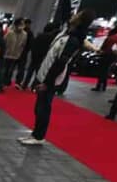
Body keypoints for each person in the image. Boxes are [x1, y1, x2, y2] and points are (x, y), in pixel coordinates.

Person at [18, 8, 95, 146]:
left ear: (81, 20)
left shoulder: (73, 39)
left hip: (50, 77)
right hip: (45, 72)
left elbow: (60, 62)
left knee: (43, 107)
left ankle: (39, 136)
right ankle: (36, 133)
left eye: (78, 15)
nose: (74, 15)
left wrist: (47, 82)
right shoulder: (66, 33)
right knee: (39, 106)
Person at [22, 22, 56, 89]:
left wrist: (33, 53)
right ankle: (34, 86)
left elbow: (34, 44)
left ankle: (25, 84)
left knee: (30, 70)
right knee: (39, 72)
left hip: (35, 55)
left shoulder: (39, 35)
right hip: (42, 56)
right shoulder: (52, 37)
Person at [0, 19, 26, 93]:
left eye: (23, 24)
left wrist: (19, 54)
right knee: (2, 71)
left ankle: (3, 84)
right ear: (16, 25)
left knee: (9, 72)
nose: (22, 26)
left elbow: (23, 45)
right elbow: (4, 42)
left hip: (15, 56)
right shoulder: (10, 32)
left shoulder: (24, 34)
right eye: (21, 24)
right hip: (5, 55)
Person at [92, 26, 117, 92]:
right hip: (112, 56)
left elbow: (104, 46)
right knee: (106, 71)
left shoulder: (109, 37)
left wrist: (99, 51)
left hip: (105, 55)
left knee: (102, 71)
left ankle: (99, 86)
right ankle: (104, 86)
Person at [13, 19, 33, 87]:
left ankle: (17, 80)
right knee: (20, 67)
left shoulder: (26, 32)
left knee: (17, 67)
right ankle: (18, 81)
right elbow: (30, 44)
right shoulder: (28, 32)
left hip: (20, 52)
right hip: (22, 52)